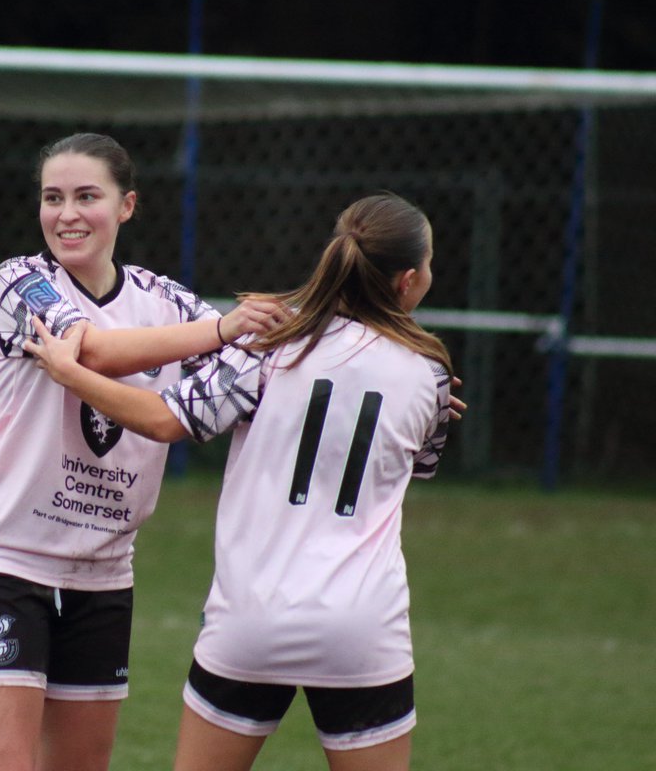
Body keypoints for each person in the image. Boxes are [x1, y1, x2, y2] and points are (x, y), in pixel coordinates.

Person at [26, 192, 454, 771]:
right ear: (408, 281)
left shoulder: (267, 347)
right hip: (363, 626)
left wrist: (70, 373)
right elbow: (418, 463)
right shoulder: (430, 373)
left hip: (252, 618)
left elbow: (163, 420)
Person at [0, 132, 288, 771]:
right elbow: (89, 349)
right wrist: (221, 329)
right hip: (4, 564)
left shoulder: (164, 300)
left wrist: (388, 376)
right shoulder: (20, 281)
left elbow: (263, 368)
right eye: (53, 197)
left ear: (126, 206)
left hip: (104, 575)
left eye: (86, 196)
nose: (66, 214)